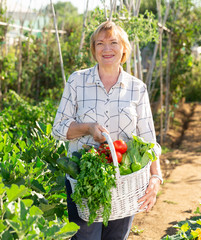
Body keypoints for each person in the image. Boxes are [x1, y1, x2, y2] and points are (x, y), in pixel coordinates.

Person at [52, 20, 163, 240]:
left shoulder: (137, 88)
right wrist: (88, 128)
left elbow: (148, 140)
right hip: (84, 181)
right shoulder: (77, 81)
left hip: (125, 182)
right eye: (100, 43)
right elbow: (58, 129)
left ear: (124, 49)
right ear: (93, 49)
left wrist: (156, 177)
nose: (107, 48)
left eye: (113, 42)